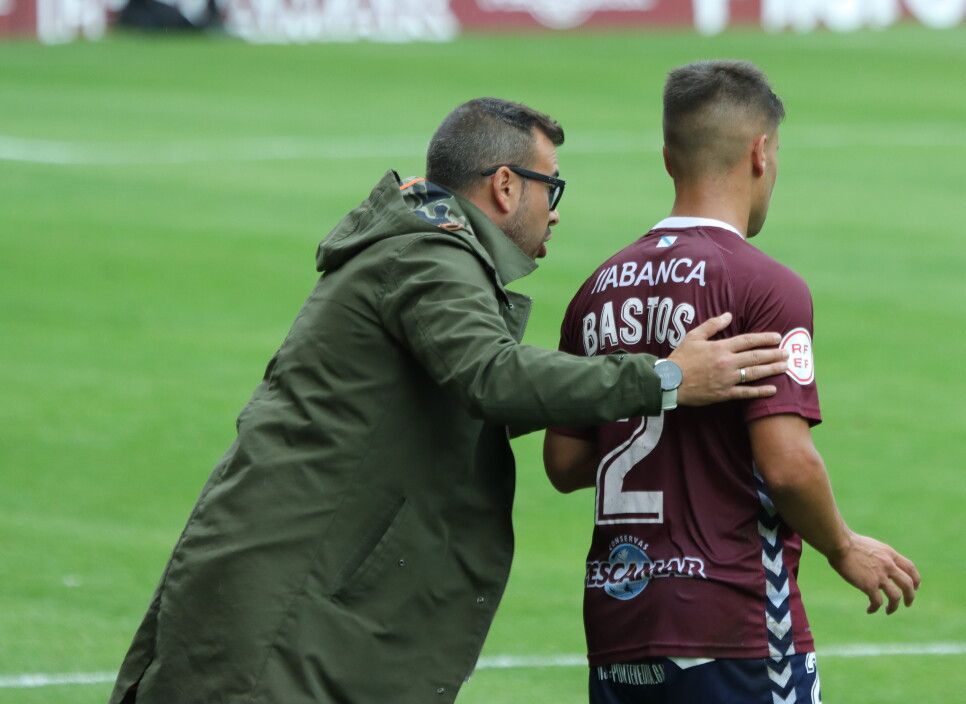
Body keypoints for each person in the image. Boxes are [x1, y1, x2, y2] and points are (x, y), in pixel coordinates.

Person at [108, 97, 793, 704]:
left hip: (293, 580)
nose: (556, 210)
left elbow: (475, 394)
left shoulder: (422, 247)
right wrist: (664, 378)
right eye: (549, 187)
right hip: (292, 599)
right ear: (503, 186)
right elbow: (489, 377)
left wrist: (616, 395)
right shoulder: (430, 257)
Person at [544, 62, 921, 703]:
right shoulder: (764, 287)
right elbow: (786, 465)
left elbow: (564, 461)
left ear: (669, 158)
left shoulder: (595, 291)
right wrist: (842, 547)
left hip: (619, 617)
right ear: (761, 152)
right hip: (734, 618)